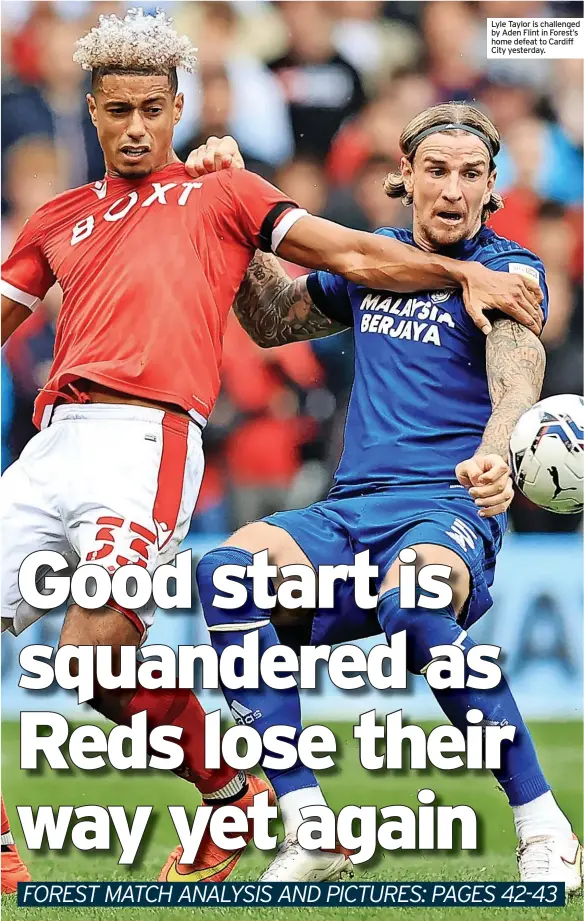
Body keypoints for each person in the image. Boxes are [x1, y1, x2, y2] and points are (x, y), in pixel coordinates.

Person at [0, 10, 542, 892]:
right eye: (116, 110)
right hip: (50, 442)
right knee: (89, 675)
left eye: (151, 108)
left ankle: (240, 788)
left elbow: (353, 254)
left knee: (90, 655)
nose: (135, 127)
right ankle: (219, 792)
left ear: (177, 107)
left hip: (148, 441)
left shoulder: (224, 195)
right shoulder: (57, 217)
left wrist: (461, 271)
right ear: (90, 113)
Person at [187, 106, 582, 888]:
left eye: (472, 173)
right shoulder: (373, 265)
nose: (453, 188)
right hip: (347, 510)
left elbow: (515, 370)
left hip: (444, 506)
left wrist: (497, 449)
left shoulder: (510, 269)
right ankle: (310, 825)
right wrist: (232, 203)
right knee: (225, 569)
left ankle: (545, 826)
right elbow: (269, 318)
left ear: (492, 188)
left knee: (417, 596)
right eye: (437, 169)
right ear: (404, 179)